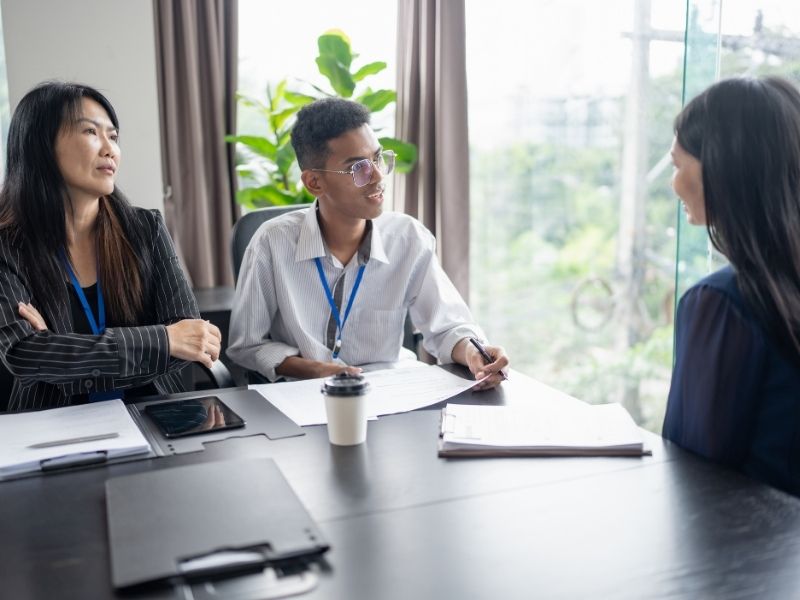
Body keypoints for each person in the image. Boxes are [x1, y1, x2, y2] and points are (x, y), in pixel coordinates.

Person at [228, 97, 508, 388]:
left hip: (390, 390)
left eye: (377, 158)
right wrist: (317, 371)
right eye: (357, 167)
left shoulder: (408, 238)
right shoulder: (272, 243)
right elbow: (247, 345)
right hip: (304, 394)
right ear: (314, 183)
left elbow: (448, 327)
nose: (377, 176)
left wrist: (476, 354)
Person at [0, 81, 221, 412]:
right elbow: (24, 354)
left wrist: (63, 354)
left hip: (153, 415)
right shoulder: (7, 245)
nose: (110, 149)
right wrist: (162, 340)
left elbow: (191, 341)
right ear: (41, 146)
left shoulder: (146, 229)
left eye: (113, 136)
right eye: (91, 132)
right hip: (51, 425)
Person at [663, 76, 800, 496]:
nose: (674, 184)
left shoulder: (721, 303)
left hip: (746, 553)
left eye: (677, 165)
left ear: (720, 170)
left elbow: (692, 468)